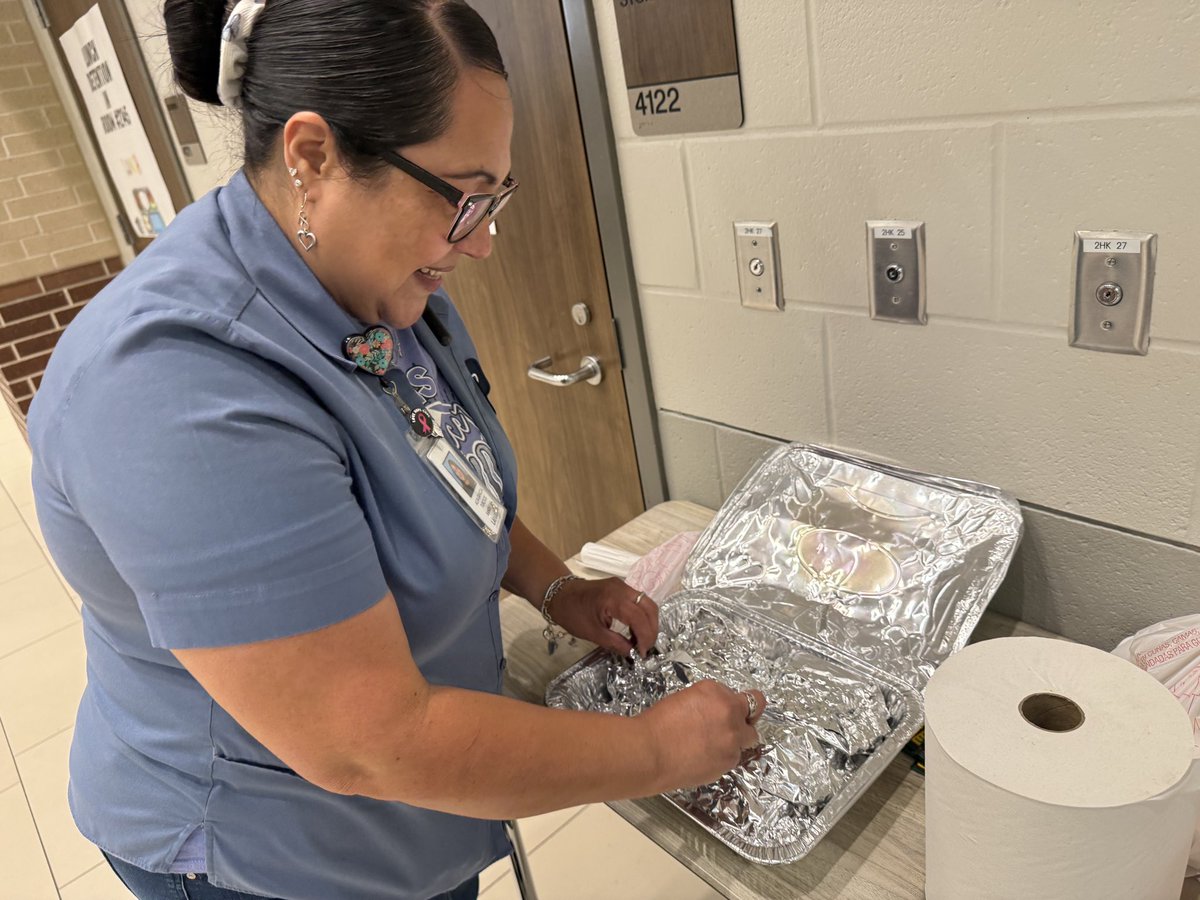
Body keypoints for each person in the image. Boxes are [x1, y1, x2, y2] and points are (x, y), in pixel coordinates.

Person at [27, 1, 766, 898]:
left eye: (497, 196)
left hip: (415, 807)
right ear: (312, 157)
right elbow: (368, 742)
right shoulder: (177, 390)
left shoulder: (379, 287)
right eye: (464, 197)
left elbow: (445, 477)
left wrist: (553, 582)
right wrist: (656, 749)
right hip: (270, 853)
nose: (485, 240)